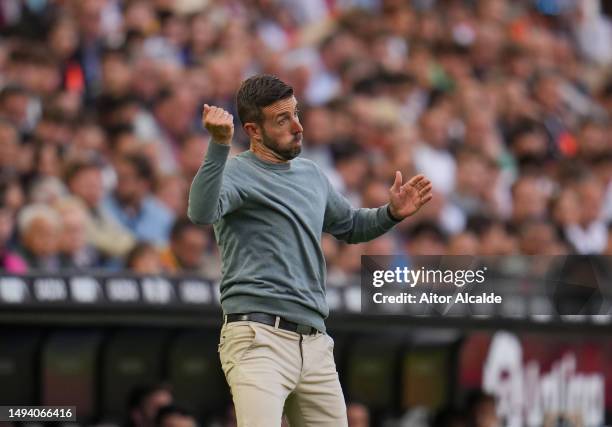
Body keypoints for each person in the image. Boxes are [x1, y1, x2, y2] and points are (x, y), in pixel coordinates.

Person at [187, 74, 432, 427]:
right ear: (254, 131)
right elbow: (200, 212)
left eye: (296, 114)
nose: (298, 126)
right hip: (258, 339)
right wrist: (219, 145)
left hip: (315, 343)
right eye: (282, 119)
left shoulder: (311, 175)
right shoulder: (238, 172)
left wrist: (390, 213)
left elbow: (350, 226)